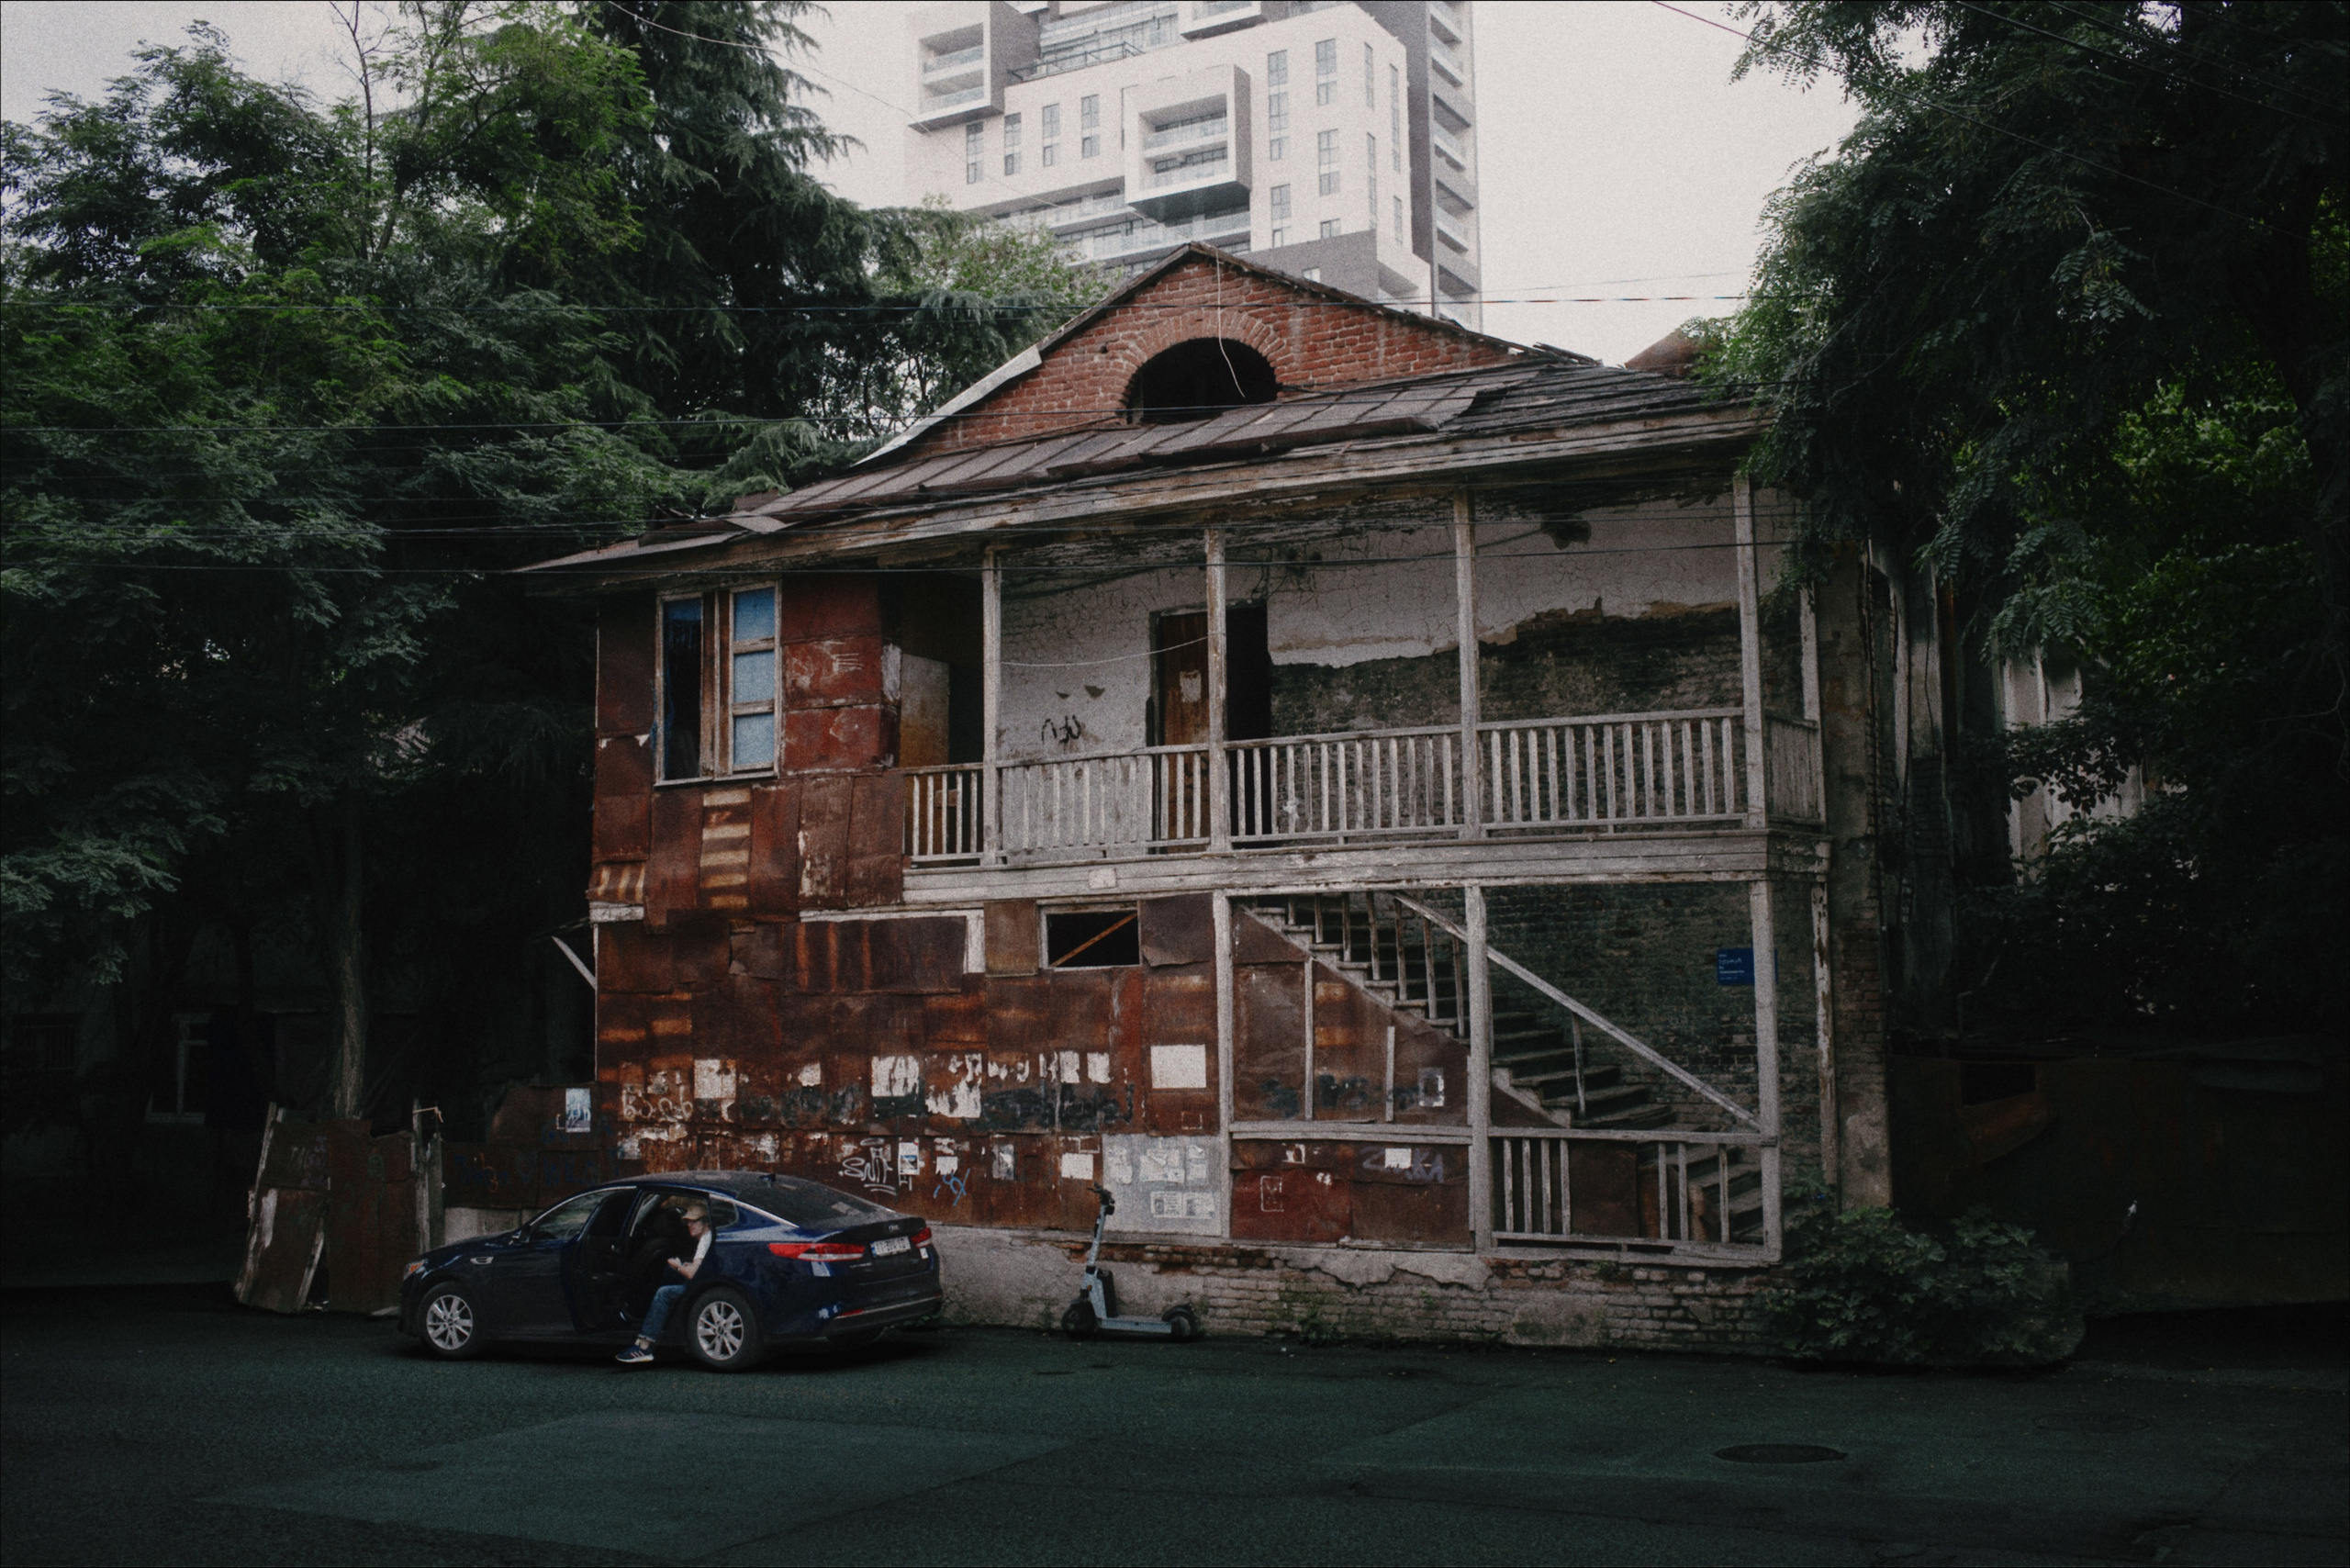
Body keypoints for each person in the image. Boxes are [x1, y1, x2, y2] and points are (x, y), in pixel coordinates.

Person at [616, 1202, 711, 1365]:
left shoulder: (704, 1240)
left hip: (700, 1287)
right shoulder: (706, 1237)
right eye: (688, 1221)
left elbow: (692, 1274)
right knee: (669, 1273)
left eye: (694, 1221)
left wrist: (679, 1266)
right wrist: (684, 1266)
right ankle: (658, 1316)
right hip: (704, 1283)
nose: (690, 1225)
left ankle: (645, 1345)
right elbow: (698, 1268)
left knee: (663, 1293)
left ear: (705, 1223)